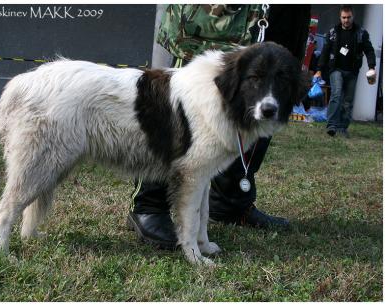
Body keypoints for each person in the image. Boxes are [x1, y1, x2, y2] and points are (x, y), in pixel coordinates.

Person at [127, 4, 311, 249]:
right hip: (214, 17)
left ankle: (231, 201)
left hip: (281, 12)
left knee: (266, 97)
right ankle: (150, 204)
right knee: (179, 108)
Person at [314, 5, 376, 137]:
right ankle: (331, 125)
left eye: (348, 17)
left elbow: (369, 50)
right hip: (335, 69)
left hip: (353, 71)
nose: (346, 20)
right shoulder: (333, 32)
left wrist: (372, 67)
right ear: (340, 17)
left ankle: (342, 127)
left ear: (353, 17)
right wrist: (319, 69)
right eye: (343, 17)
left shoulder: (361, 33)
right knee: (336, 94)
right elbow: (325, 52)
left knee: (348, 100)